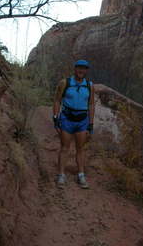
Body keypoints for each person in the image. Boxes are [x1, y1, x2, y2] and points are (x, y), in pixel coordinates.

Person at [52, 59, 95, 189]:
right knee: (65, 147)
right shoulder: (65, 83)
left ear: (87, 71)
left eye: (84, 68)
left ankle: (81, 175)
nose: (81, 71)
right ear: (75, 69)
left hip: (82, 121)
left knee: (80, 149)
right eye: (79, 68)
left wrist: (91, 124)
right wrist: (55, 118)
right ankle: (61, 175)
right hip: (67, 119)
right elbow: (57, 100)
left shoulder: (89, 85)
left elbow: (91, 104)